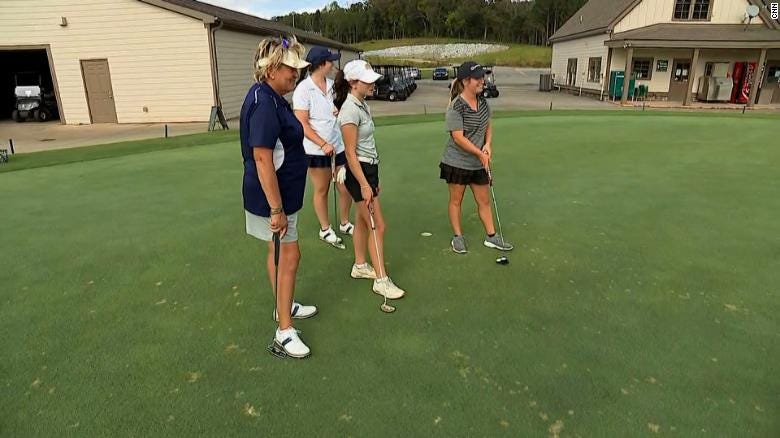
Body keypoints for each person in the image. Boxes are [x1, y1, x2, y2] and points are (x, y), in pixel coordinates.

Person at [240, 35, 316, 359]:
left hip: (283, 197)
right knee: (290, 257)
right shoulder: (264, 102)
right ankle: (284, 331)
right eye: (290, 69)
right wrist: (276, 209)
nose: (295, 74)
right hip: (275, 200)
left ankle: (282, 306)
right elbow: (262, 158)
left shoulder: (273, 97)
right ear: (271, 68)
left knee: (283, 255)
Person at [334, 60, 406, 300]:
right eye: (368, 80)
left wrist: (372, 181)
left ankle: (360, 265)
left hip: (367, 170)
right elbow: (350, 153)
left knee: (363, 221)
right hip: (359, 172)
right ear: (353, 83)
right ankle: (381, 280)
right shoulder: (349, 110)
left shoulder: (360, 104)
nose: (373, 83)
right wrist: (365, 184)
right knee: (378, 225)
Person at [440, 61, 514, 254]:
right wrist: (480, 153)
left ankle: (491, 236)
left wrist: (487, 145)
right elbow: (458, 137)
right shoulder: (456, 107)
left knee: (484, 200)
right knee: (456, 201)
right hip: (457, 162)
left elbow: (487, 125)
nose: (483, 80)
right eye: (478, 78)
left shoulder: (483, 102)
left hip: (478, 161)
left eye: (483, 76)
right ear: (466, 81)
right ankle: (458, 237)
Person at [293, 46, 354, 248]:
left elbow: (335, 108)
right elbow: (302, 122)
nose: (333, 64)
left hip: (338, 145)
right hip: (316, 150)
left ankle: (344, 222)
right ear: (321, 64)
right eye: (330, 61)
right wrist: (322, 143)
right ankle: (325, 229)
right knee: (322, 189)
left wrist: (337, 111)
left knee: (345, 187)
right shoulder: (303, 89)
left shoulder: (331, 85)